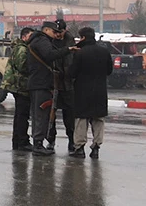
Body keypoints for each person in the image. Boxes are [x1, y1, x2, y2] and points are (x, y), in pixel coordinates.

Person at [26, 21, 75, 155]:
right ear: (46, 30)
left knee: (40, 114)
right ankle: (38, 144)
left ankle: (39, 143)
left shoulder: (38, 40)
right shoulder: (42, 40)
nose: (55, 34)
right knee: (41, 114)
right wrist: (67, 50)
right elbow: (49, 55)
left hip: (40, 82)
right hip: (41, 83)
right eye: (53, 31)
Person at [68, 27, 114, 159]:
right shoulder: (104, 51)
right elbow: (109, 71)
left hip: (82, 91)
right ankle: (96, 147)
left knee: (81, 120)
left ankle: (79, 148)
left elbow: (72, 73)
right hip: (100, 91)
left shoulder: (80, 53)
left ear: (82, 38)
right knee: (98, 119)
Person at [46, 20, 78, 152]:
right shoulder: (49, 43)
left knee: (69, 116)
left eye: (60, 32)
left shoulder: (71, 42)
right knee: (51, 115)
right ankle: (50, 140)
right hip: (53, 84)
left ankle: (72, 141)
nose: (58, 34)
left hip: (68, 84)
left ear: (65, 30)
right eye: (56, 32)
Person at [3, 26, 36, 151]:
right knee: (22, 115)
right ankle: (22, 141)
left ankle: (17, 140)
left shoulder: (19, 47)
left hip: (18, 85)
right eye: (30, 36)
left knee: (19, 115)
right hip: (20, 86)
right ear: (24, 37)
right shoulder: (22, 49)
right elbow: (23, 67)